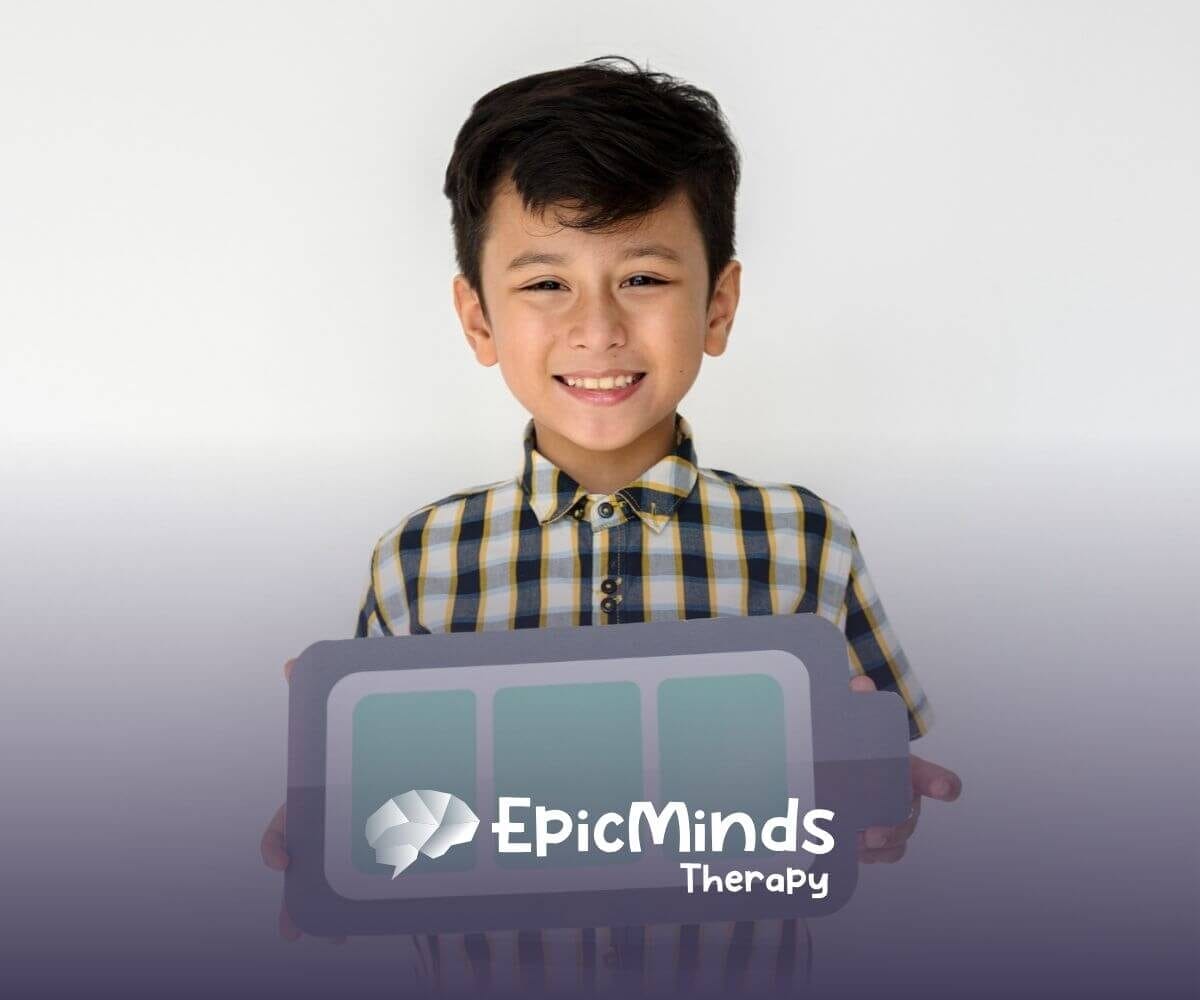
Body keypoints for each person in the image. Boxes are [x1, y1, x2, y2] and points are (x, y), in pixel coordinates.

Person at [261, 54, 962, 995]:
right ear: (478, 319)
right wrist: (328, 823)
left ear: (718, 304)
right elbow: (375, 814)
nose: (597, 329)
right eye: (545, 284)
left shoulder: (805, 539)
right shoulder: (416, 562)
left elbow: (877, 772)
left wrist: (880, 795)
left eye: (642, 277)